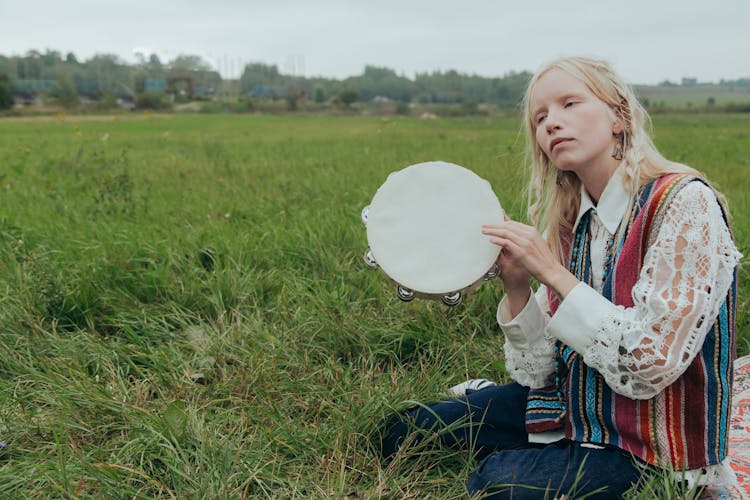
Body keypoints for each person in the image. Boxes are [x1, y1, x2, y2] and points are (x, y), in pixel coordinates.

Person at [378, 56, 742, 498]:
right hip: (571, 413)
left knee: (499, 485)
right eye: (540, 117)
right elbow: (541, 373)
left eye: (570, 103)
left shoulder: (684, 204)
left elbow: (651, 364)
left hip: (652, 452)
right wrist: (516, 284)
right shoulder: (570, 221)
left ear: (618, 116)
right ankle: (543, 449)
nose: (553, 123)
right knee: (401, 433)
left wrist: (552, 273)